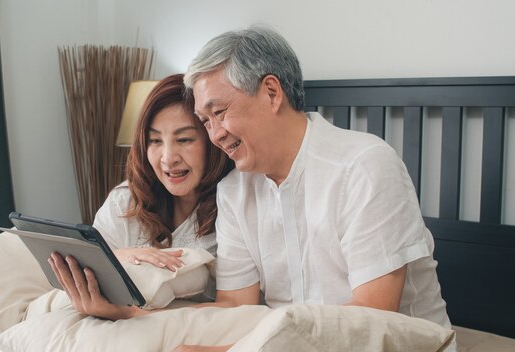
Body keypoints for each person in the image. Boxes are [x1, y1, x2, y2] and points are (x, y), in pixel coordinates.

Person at [176, 25, 452, 351]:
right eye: (205, 121)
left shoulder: (365, 167)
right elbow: (237, 306)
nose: (215, 134)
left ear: (271, 93)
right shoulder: (234, 193)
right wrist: (135, 314)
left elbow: (372, 319)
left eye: (219, 112)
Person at [48, 73, 233, 320]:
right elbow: (87, 263)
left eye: (184, 139)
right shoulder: (125, 200)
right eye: (154, 140)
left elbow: (234, 305)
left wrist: (128, 314)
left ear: (212, 141)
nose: (168, 157)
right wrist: (118, 255)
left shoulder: (234, 209)